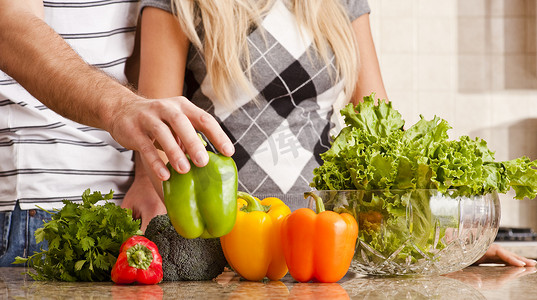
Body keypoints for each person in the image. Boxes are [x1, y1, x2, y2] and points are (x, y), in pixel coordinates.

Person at [127, 0, 537, 268]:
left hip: (328, 248)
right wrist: (147, 183)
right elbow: (156, 121)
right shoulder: (179, 3)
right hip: (228, 248)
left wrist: (446, 241)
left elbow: (378, 129)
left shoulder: (340, 2)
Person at [0, 0, 233, 266]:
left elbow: (132, 42)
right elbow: (9, 27)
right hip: (39, 205)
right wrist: (121, 106)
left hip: (122, 209)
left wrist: (145, 174)